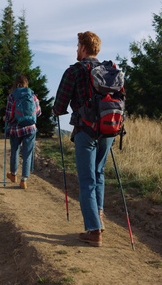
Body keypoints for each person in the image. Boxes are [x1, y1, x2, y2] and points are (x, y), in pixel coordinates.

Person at [53, 31, 114, 247]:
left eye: (77, 46)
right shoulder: (109, 70)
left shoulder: (74, 71)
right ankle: (98, 215)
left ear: (83, 47)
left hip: (85, 129)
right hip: (108, 130)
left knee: (87, 179)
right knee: (98, 173)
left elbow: (59, 106)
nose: (76, 49)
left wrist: (57, 110)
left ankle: (94, 230)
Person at [5, 75, 41, 189]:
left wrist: (5, 119)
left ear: (15, 84)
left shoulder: (12, 95)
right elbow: (38, 112)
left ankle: (13, 175)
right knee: (27, 153)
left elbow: (9, 115)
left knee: (15, 150)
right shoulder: (33, 95)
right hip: (30, 128)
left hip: (16, 128)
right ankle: (24, 180)